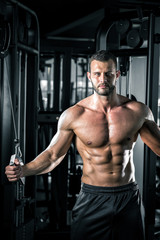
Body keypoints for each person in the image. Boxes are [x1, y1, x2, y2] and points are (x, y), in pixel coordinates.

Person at [5, 50, 160, 240]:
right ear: (89, 76)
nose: (103, 79)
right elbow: (53, 155)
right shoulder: (74, 115)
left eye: (108, 73)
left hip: (128, 197)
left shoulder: (138, 111)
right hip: (92, 197)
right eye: (97, 74)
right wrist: (24, 170)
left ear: (117, 75)